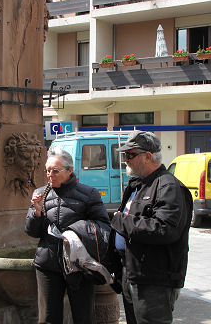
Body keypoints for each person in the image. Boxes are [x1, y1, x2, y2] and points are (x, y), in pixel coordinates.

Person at [109, 130, 192, 324]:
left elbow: (164, 229)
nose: (125, 160)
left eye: (130, 155)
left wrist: (121, 221)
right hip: (132, 273)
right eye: (124, 155)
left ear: (147, 156)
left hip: (154, 279)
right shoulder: (137, 185)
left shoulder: (168, 186)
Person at [25, 148, 110, 324]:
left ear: (70, 170)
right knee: (48, 318)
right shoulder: (40, 194)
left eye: (55, 171)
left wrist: (75, 232)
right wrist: (37, 211)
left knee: (83, 316)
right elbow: (32, 231)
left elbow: (103, 227)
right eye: (47, 170)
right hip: (47, 264)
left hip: (78, 264)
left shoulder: (89, 194)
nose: (50, 175)